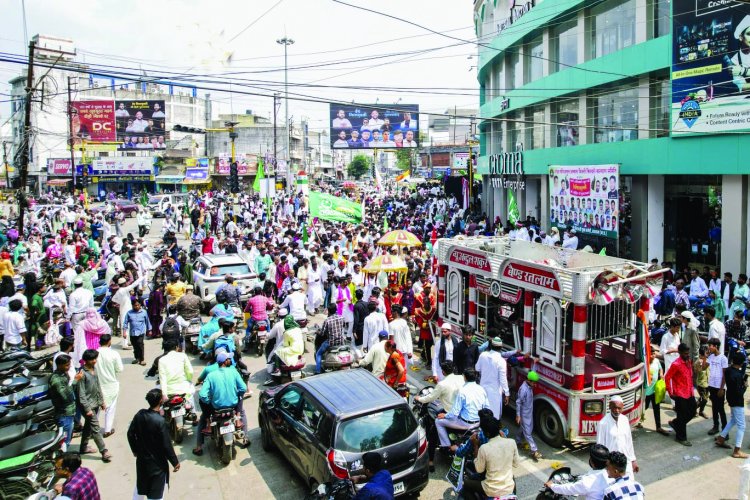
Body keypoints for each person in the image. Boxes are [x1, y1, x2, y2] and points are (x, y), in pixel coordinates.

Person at [127, 388, 180, 500]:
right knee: (155, 495)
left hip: (142, 462)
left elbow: (130, 434)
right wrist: (175, 462)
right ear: (160, 401)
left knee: (140, 487)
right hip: (157, 465)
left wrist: (135, 450)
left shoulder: (140, 414)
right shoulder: (160, 421)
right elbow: (167, 445)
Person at [194, 352, 248, 455]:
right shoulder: (234, 372)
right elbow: (243, 388)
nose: (230, 360)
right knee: (241, 403)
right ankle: (243, 431)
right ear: (225, 361)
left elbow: (202, 394)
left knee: (202, 413)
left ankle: (199, 445)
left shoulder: (211, 375)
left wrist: (208, 401)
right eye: (229, 359)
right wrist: (237, 395)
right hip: (233, 406)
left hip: (216, 408)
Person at [461, 406, 519, 499]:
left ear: (486, 433)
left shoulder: (484, 448)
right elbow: (516, 464)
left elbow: (479, 469)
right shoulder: (511, 442)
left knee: (466, 484)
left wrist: (475, 445)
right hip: (509, 487)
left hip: (491, 489)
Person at [436, 368, 489, 448]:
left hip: (465, 424)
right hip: (478, 422)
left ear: (464, 377)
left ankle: (447, 445)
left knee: (438, 421)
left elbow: (455, 412)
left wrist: (445, 415)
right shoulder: (481, 389)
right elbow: (486, 407)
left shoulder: (462, 391)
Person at [76, 349, 112, 462]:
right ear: (86, 361)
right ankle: (104, 451)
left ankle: (83, 447)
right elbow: (81, 394)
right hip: (87, 405)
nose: (95, 361)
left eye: (95, 358)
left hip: (95, 403)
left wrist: (101, 401)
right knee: (95, 428)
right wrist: (87, 409)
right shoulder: (82, 374)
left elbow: (97, 386)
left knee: (88, 426)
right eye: (92, 359)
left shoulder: (94, 369)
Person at [546, 444, 612, 499]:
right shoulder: (612, 475)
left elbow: (568, 489)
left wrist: (552, 486)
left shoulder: (587, 482)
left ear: (592, 462)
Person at [715, 352, 749, 458]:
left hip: (730, 397)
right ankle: (737, 451)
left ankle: (721, 438)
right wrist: (745, 386)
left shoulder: (729, 370)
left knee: (734, 420)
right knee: (742, 426)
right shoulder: (738, 375)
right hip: (737, 401)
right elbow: (740, 392)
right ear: (742, 363)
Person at [595, 395, 638, 474]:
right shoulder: (603, 423)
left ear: (622, 408)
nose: (617, 410)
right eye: (614, 407)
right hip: (611, 464)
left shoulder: (624, 420)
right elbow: (600, 447)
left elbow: (629, 442)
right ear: (610, 406)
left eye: (619, 408)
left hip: (625, 461)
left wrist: (633, 460)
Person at [664, 343, 696, 446]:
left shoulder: (689, 362)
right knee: (682, 416)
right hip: (680, 393)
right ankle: (681, 437)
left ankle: (676, 423)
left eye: (688, 353)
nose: (687, 355)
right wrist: (670, 391)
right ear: (680, 352)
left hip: (689, 392)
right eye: (685, 353)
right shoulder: (676, 364)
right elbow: (667, 377)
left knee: (692, 412)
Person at [49, 354, 82, 450]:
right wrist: (75, 380)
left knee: (67, 437)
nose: (68, 367)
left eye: (69, 365)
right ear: (59, 365)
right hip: (64, 414)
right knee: (65, 441)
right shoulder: (56, 380)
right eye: (67, 365)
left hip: (69, 412)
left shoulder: (63, 374)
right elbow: (65, 396)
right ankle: (62, 460)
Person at [475, 337, 510, 420]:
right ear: (501, 347)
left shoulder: (483, 355)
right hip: (495, 393)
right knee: (494, 417)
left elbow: (477, 368)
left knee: (482, 414)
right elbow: (503, 379)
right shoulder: (501, 361)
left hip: (482, 389)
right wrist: (507, 393)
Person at [95, 334, 123, 438]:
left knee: (96, 408)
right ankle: (107, 430)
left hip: (97, 384)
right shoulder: (114, 354)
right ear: (109, 342)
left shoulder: (95, 353)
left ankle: (93, 429)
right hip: (111, 384)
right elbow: (119, 369)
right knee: (110, 408)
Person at [158, 339, 195, 412]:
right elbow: (190, 372)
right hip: (184, 390)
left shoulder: (161, 360)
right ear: (177, 347)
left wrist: (164, 394)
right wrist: (188, 379)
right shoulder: (183, 356)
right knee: (191, 395)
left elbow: (163, 379)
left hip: (169, 392)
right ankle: (193, 414)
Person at [516, 370, 542, 461]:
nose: (535, 385)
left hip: (528, 412)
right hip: (524, 414)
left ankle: (518, 441)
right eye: (534, 383)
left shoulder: (529, 385)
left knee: (523, 428)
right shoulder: (523, 389)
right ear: (529, 381)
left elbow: (532, 371)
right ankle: (534, 450)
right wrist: (518, 415)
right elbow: (518, 402)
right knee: (527, 432)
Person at [315, 304, 346, 374]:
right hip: (341, 341)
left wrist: (317, 332)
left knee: (318, 354)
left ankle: (317, 371)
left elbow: (322, 333)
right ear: (336, 310)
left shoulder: (327, 320)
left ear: (328, 311)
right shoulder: (341, 317)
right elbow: (344, 326)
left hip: (330, 342)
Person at [706, 337, 729, 436]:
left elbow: (725, 375)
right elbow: (703, 367)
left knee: (721, 409)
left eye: (710, 346)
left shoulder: (723, 358)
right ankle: (715, 426)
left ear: (715, 347)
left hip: (719, 387)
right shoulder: (710, 357)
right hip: (712, 385)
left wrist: (721, 388)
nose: (709, 348)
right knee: (714, 407)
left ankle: (725, 431)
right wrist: (705, 357)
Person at [123, 299, 152, 366]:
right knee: (135, 346)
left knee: (140, 345)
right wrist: (124, 332)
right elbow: (125, 323)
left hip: (140, 332)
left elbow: (147, 321)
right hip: (132, 333)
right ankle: (137, 358)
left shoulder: (144, 312)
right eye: (135, 305)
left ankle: (142, 359)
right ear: (132, 306)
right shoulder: (129, 313)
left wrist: (149, 330)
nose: (137, 306)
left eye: (138, 305)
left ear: (140, 305)